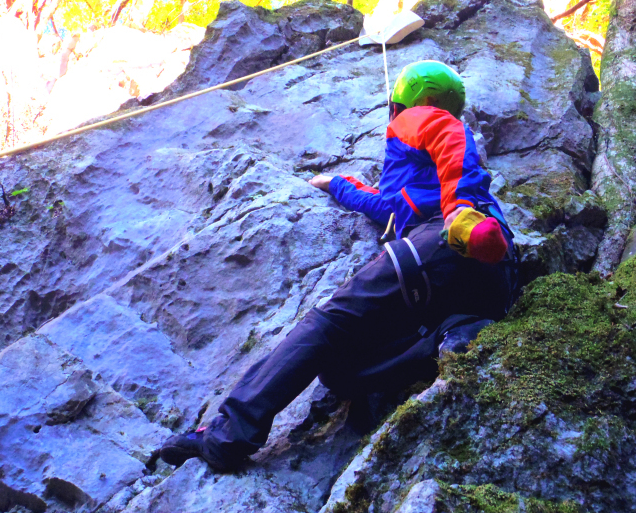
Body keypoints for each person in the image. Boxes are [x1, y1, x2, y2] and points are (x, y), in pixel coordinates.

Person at [159, 60, 517, 472]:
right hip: (492, 283)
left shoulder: (418, 119)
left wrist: (460, 210)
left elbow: (447, 133)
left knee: (327, 326)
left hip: (450, 240)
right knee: (340, 370)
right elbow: (385, 205)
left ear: (407, 100)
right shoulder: (421, 177)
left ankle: (228, 435)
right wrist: (338, 186)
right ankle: (457, 332)